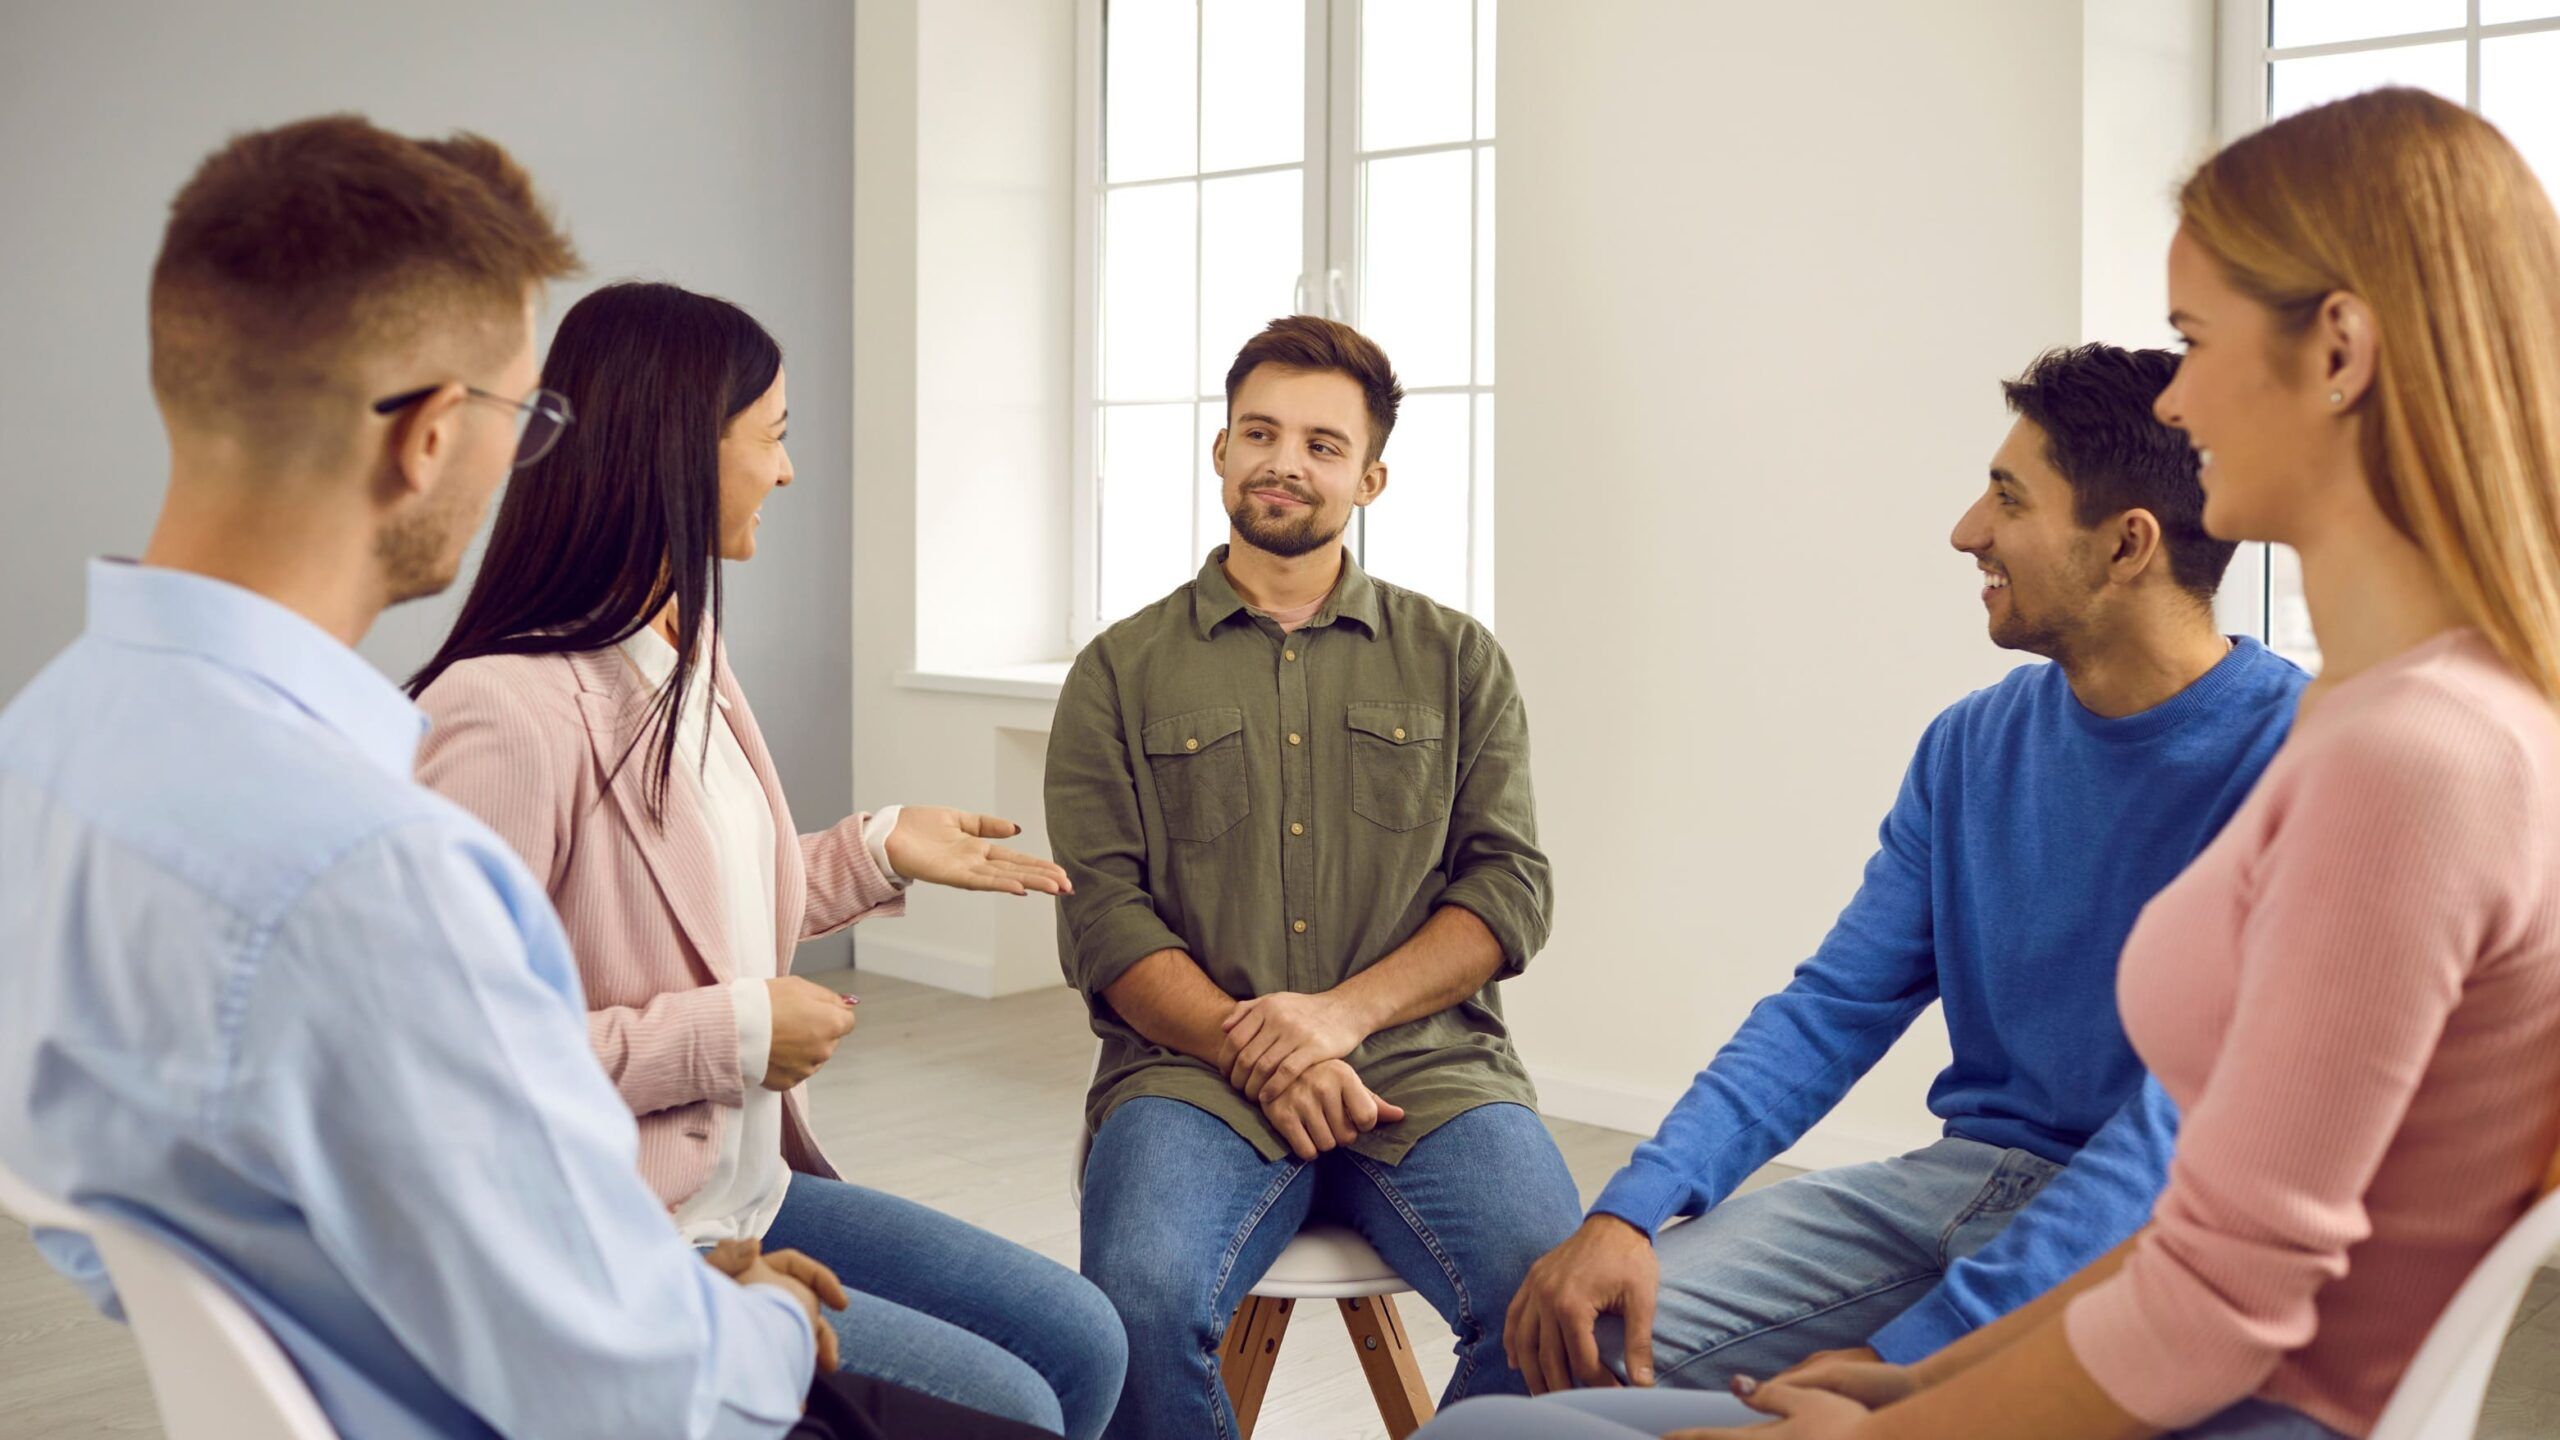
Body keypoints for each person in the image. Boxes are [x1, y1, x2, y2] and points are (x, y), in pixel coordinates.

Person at [1436, 85, 2560, 1440]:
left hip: (2169, 1343)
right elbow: (1836, 1003)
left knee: (1499, 1436)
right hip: (1975, 1202)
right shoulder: (2341, 728)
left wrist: (1912, 1397)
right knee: (1529, 1361)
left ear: (2338, 352)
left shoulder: (2387, 758)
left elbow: (2200, 1246)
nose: (2182, 392)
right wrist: (1642, 1204)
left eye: (2197, 341)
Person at [0, 115, 1041, 1440]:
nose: (534, 453)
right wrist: (759, 1311)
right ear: (430, 437)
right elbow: (625, 1386)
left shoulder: (52, 741)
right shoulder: (367, 862)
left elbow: (118, 1231)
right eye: (522, 412)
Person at [1500, 343, 2306, 1404]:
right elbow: (1835, 1005)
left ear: (2125, 546)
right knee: (1546, 1344)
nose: (1966, 530)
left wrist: (1911, 1356)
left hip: (2150, 1231)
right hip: (1954, 1184)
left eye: (2007, 498)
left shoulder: (2301, 760)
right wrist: (1630, 1207)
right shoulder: (1970, 745)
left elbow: (2182, 1134)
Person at [408, 280, 1126, 1440]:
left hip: (750, 1189)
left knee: (1084, 1342)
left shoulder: (681, 653)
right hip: (614, 1240)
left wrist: (875, 848)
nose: (788, 474)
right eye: (774, 438)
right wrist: (733, 1036)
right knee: (1013, 1408)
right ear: (681, 452)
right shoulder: (501, 716)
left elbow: (681, 904)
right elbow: (442, 1064)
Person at [1045, 314, 1582, 1437]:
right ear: (1221, 453)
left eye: (1323, 444)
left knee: (1555, 1306)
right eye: (1260, 432)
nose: (1285, 461)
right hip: (1188, 1080)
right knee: (1133, 1308)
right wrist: (1264, 1048)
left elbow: (1507, 889)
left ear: (1370, 477)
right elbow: (1104, 917)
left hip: (1430, 1072)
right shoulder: (1117, 671)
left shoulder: (1457, 659)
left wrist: (1336, 1020)